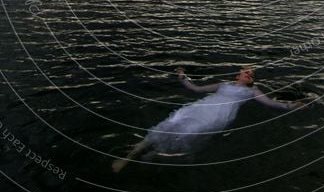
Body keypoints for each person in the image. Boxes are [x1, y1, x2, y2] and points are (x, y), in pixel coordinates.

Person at [112, 66, 306, 172]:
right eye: (246, 71)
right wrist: (182, 76)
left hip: (217, 115)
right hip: (200, 107)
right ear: (238, 74)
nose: (249, 74)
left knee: (188, 132)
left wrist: (293, 106)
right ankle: (128, 157)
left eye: (252, 74)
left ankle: (155, 154)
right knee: (166, 125)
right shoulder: (222, 84)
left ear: (252, 80)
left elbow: (273, 103)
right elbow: (195, 89)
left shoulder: (252, 91)